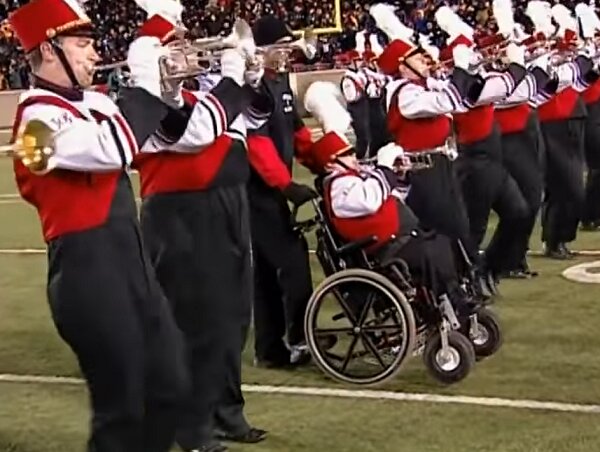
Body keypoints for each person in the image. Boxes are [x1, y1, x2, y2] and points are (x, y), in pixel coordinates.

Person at [8, 0, 192, 450]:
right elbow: (112, 149)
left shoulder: (95, 101)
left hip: (132, 261)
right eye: (81, 44)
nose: (95, 53)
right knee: (121, 412)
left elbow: (169, 138)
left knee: (172, 386)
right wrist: (145, 81)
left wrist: (169, 89)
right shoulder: (34, 120)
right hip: (86, 272)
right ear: (48, 50)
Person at [130, 4, 268, 451]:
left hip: (227, 204)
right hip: (181, 216)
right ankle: (192, 427)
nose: (190, 51)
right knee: (195, 323)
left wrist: (252, 81)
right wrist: (231, 76)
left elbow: (252, 120)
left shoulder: (196, 97)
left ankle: (227, 412)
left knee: (233, 318)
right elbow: (197, 135)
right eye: (177, 45)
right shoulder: (145, 106)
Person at [303, 81, 479, 322]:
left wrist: (400, 177)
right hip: (383, 248)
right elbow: (369, 200)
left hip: (399, 237)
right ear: (332, 163)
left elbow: (391, 198)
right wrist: (384, 169)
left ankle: (454, 299)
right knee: (431, 253)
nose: (354, 158)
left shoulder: (354, 177)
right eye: (346, 155)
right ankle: (452, 305)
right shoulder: (338, 186)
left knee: (443, 243)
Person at [369, 3, 494, 295]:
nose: (425, 60)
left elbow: (464, 100)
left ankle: (462, 283)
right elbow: (449, 99)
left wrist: (472, 67)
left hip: (440, 165)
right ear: (403, 66)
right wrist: (459, 67)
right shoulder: (405, 93)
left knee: (458, 227)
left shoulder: (423, 86)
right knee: (444, 229)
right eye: (417, 57)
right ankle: (448, 290)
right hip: (422, 171)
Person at [246, 14, 319, 368]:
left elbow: (299, 135)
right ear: (261, 50)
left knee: (265, 274)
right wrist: (286, 185)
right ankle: (300, 338)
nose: (288, 52)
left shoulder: (281, 84)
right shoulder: (254, 88)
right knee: (292, 263)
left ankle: (269, 348)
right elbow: (256, 144)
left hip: (272, 191)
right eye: (281, 46)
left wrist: (332, 163)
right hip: (256, 193)